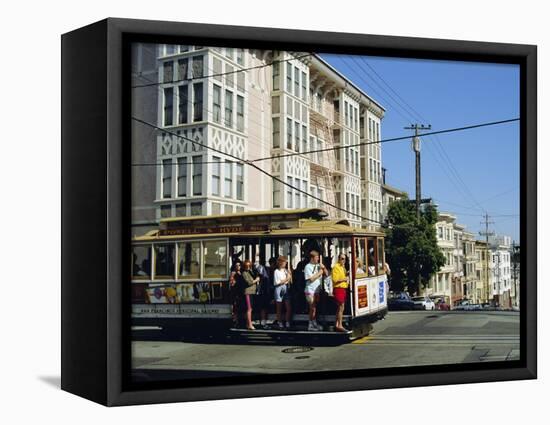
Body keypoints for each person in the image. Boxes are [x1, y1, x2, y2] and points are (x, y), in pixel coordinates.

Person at [303, 250, 327, 331]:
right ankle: (310, 324)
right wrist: (320, 273)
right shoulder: (307, 267)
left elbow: (327, 274)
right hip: (310, 290)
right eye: (317, 258)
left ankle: (314, 323)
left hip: (317, 290)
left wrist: (323, 268)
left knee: (315, 308)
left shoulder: (318, 265)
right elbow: (311, 279)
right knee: (312, 307)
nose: (318, 259)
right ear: (312, 258)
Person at [331, 254, 349, 332]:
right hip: (339, 288)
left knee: (341, 307)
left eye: (344, 259)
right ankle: (340, 325)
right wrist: (344, 279)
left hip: (343, 288)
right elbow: (335, 279)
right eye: (342, 259)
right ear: (338, 259)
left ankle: (337, 324)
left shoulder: (343, 268)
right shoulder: (336, 267)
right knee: (341, 306)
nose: (343, 260)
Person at [273, 256, 292, 329]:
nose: (285, 263)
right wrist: (286, 278)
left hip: (286, 287)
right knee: (279, 307)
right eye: (284, 262)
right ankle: (280, 322)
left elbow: (290, 280)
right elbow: (277, 282)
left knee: (288, 306)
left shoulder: (286, 270)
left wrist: (290, 275)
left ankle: (287, 321)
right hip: (279, 288)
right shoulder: (276, 271)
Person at [241, 260, 260, 330]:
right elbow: (249, 282)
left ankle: (248, 323)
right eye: (247, 266)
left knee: (250, 308)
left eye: (249, 266)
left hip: (252, 292)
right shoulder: (244, 273)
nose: (248, 267)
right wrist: (256, 280)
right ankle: (249, 324)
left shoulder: (250, 272)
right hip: (248, 292)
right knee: (249, 309)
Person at [254, 261, 272, 327]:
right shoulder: (263, 274)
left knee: (264, 306)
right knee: (263, 306)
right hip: (263, 291)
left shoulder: (263, 273)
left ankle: (263, 321)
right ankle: (263, 321)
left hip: (264, 291)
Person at [229, 262, 243, 326]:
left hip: (241, 292)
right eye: (236, 265)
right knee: (235, 306)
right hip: (235, 292)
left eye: (239, 265)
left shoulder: (242, 273)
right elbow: (232, 283)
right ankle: (235, 320)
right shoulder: (233, 273)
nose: (238, 266)